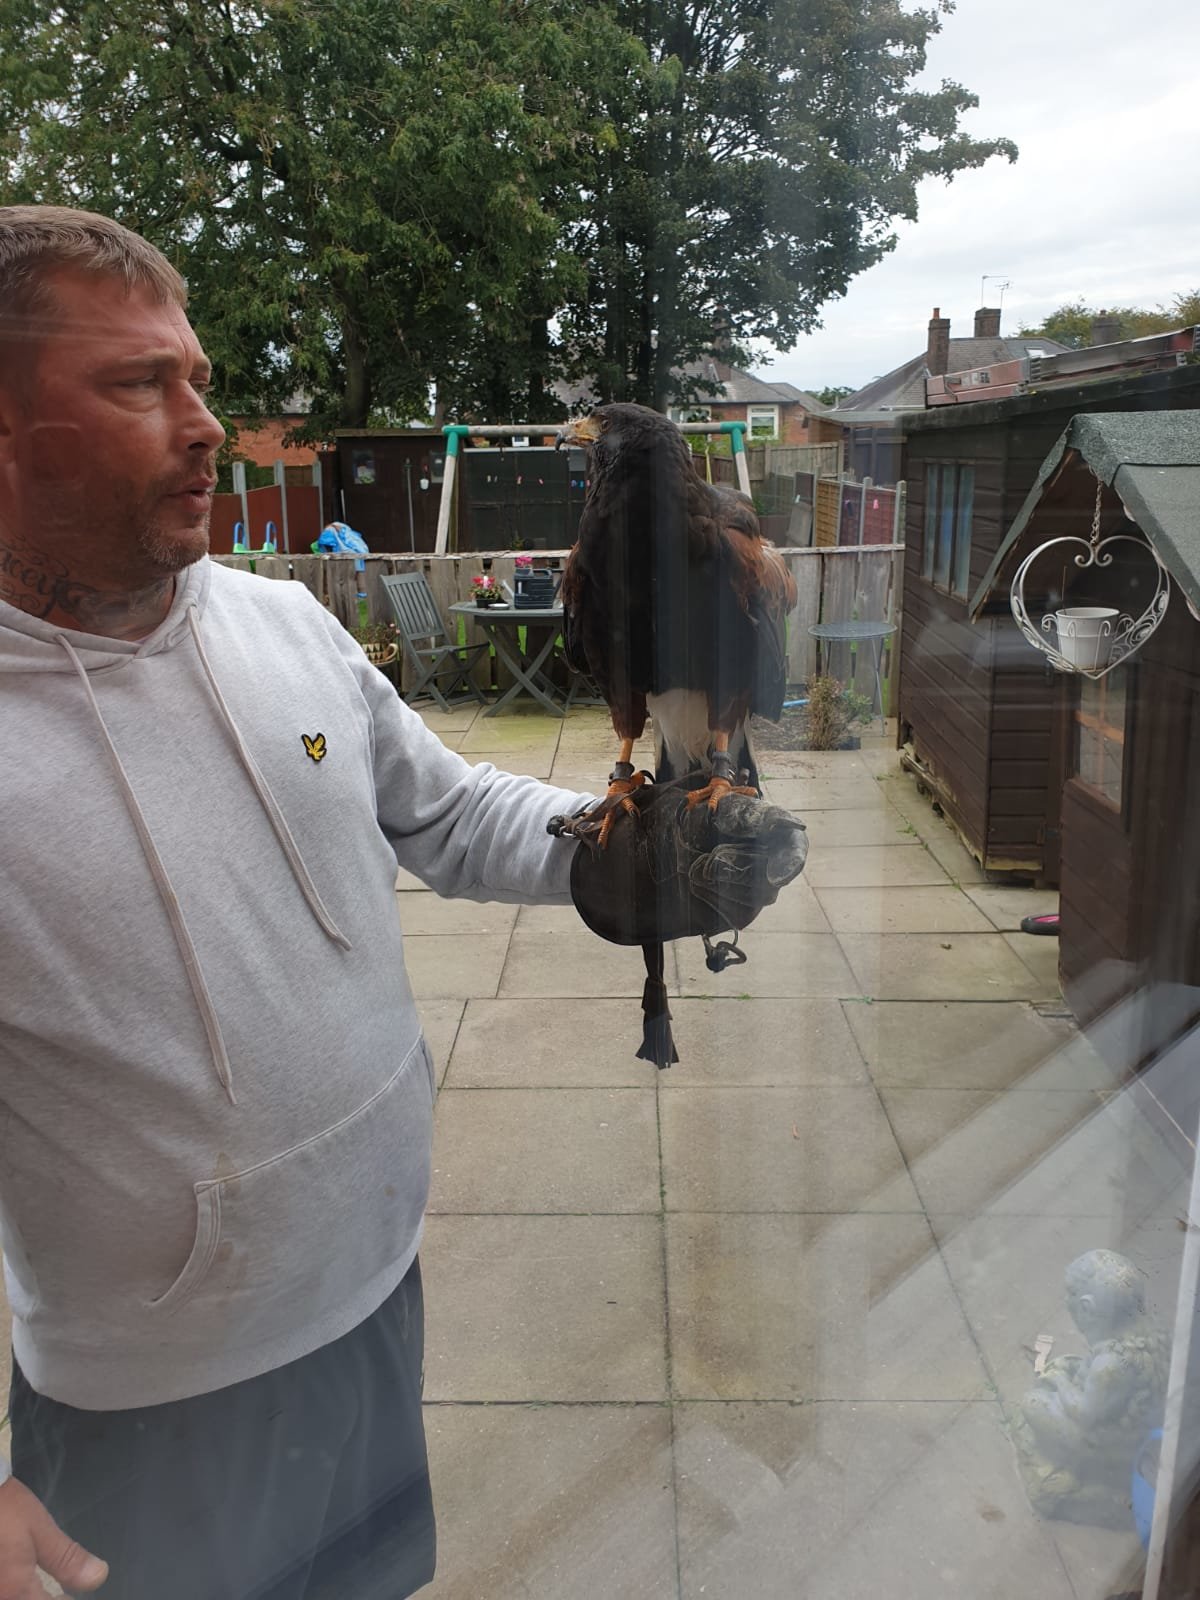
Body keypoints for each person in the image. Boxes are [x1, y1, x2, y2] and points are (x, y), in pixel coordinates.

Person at [0, 205, 594, 1599]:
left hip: (376, 1306)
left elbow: (449, 814)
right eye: (141, 384)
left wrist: (624, 849)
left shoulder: (285, 624)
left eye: (195, 376)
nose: (204, 423)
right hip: (147, 1416)